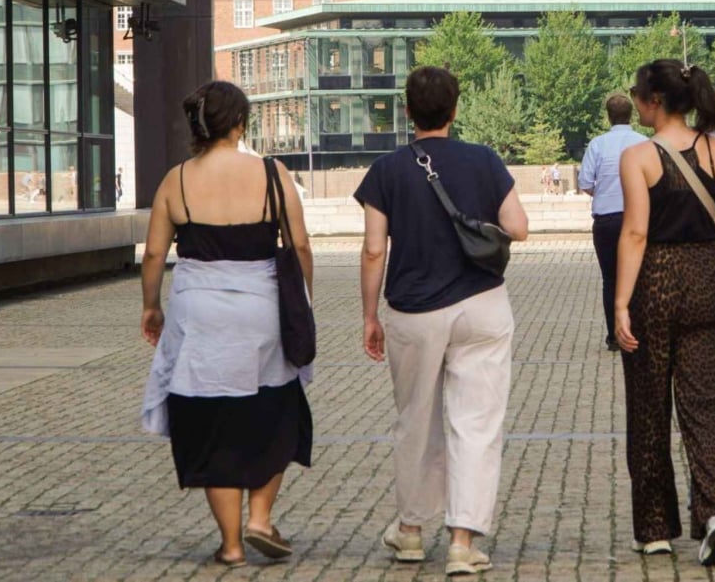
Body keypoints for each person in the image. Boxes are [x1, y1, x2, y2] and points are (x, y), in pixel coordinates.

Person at [356, 66, 530, 576]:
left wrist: (370, 315)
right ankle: (462, 540)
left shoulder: (386, 170)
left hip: (413, 310)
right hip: (482, 305)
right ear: (456, 109)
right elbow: (518, 227)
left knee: (415, 420)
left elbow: (372, 250)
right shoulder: (484, 160)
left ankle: (410, 532)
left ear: (407, 111)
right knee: (476, 423)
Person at [140, 80, 314, 568]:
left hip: (198, 311)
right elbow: (299, 246)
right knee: (275, 411)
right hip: (262, 308)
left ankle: (233, 545)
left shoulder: (176, 180)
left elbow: (155, 252)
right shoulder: (273, 174)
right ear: (240, 123)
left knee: (210, 420)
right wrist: (305, 302)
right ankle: (261, 516)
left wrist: (151, 306)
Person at [616, 60, 715, 566]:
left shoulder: (639, 157)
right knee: (708, 407)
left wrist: (620, 302)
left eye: (636, 93)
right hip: (707, 281)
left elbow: (634, 233)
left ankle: (655, 527)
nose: (634, 100)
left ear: (653, 101)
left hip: (655, 282)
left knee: (650, 406)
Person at [578, 94, 648, 350]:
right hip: (638, 217)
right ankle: (638, 331)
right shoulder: (644, 143)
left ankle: (614, 337)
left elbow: (585, 182)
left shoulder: (597, 145)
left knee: (610, 279)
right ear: (631, 114)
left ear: (608, 116)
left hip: (606, 220)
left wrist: (605, 193)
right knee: (639, 277)